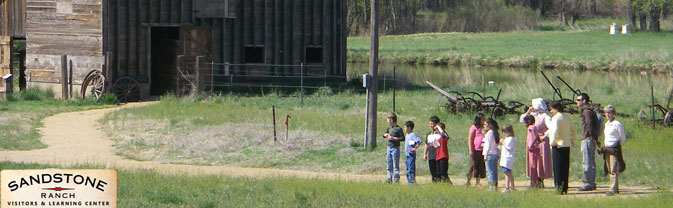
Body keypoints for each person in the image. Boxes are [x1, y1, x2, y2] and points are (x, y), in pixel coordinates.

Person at [519, 98, 553, 187]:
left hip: (541, 142)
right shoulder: (533, 115)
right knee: (533, 160)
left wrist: (544, 136)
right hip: (532, 142)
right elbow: (522, 120)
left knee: (541, 160)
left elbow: (552, 128)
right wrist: (528, 112)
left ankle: (540, 180)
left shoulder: (545, 117)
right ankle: (534, 179)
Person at [548, 102, 576, 195]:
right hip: (566, 144)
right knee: (565, 167)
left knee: (558, 168)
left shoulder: (556, 118)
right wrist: (572, 139)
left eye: (551, 109)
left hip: (558, 145)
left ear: (556, 109)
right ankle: (565, 188)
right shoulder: (566, 117)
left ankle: (559, 188)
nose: (551, 111)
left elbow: (555, 130)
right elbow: (573, 129)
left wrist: (552, 142)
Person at [598, 105, 626, 195]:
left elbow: (622, 138)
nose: (608, 115)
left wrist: (616, 144)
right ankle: (615, 188)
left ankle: (612, 189)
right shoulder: (606, 124)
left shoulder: (617, 124)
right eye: (606, 113)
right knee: (609, 168)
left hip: (614, 149)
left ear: (613, 113)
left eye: (609, 113)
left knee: (614, 169)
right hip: (607, 149)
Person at [576, 93, 600, 191]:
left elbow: (589, 125)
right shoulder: (590, 111)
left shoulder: (586, 112)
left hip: (587, 139)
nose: (576, 102)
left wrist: (593, 138)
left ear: (584, 101)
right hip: (591, 139)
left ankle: (587, 183)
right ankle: (592, 182)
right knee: (591, 161)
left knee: (587, 162)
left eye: (578, 100)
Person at [466, 113, 487, 187]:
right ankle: (468, 181)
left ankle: (478, 182)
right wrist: (470, 149)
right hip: (475, 149)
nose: (484, 121)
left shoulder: (484, 127)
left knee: (480, 166)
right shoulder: (474, 127)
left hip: (482, 149)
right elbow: (470, 138)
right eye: (483, 119)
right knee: (472, 165)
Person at [383, 113, 404, 183]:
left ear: (391, 120)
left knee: (395, 164)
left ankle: (396, 178)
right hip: (389, 147)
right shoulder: (389, 128)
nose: (387, 121)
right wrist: (385, 135)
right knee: (389, 163)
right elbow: (384, 134)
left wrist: (393, 138)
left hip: (395, 148)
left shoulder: (398, 129)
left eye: (388, 120)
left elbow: (402, 138)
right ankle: (389, 178)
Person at [523, 114, 541, 188]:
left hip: (532, 148)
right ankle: (535, 182)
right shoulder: (535, 127)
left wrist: (531, 145)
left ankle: (533, 183)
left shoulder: (531, 127)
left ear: (528, 121)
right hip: (536, 148)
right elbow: (538, 138)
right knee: (534, 165)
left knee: (532, 166)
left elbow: (535, 137)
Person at [482, 118, 500, 191]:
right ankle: (495, 186)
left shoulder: (489, 133)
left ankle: (491, 187)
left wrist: (485, 154)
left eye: (485, 124)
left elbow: (487, 145)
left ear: (489, 125)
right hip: (495, 154)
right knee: (494, 171)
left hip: (490, 154)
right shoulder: (494, 132)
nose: (484, 126)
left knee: (490, 171)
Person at [424, 116, 441, 182]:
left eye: (432, 123)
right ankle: (434, 182)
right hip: (431, 156)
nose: (430, 125)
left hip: (438, 155)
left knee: (438, 171)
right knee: (432, 171)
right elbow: (426, 144)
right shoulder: (429, 133)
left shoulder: (440, 133)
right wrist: (424, 154)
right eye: (430, 123)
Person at [500, 124, 516, 193]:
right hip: (504, 158)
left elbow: (508, 148)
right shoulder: (507, 139)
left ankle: (508, 187)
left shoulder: (510, 139)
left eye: (505, 131)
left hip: (508, 158)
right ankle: (512, 186)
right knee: (508, 173)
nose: (503, 133)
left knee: (507, 173)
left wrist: (503, 142)